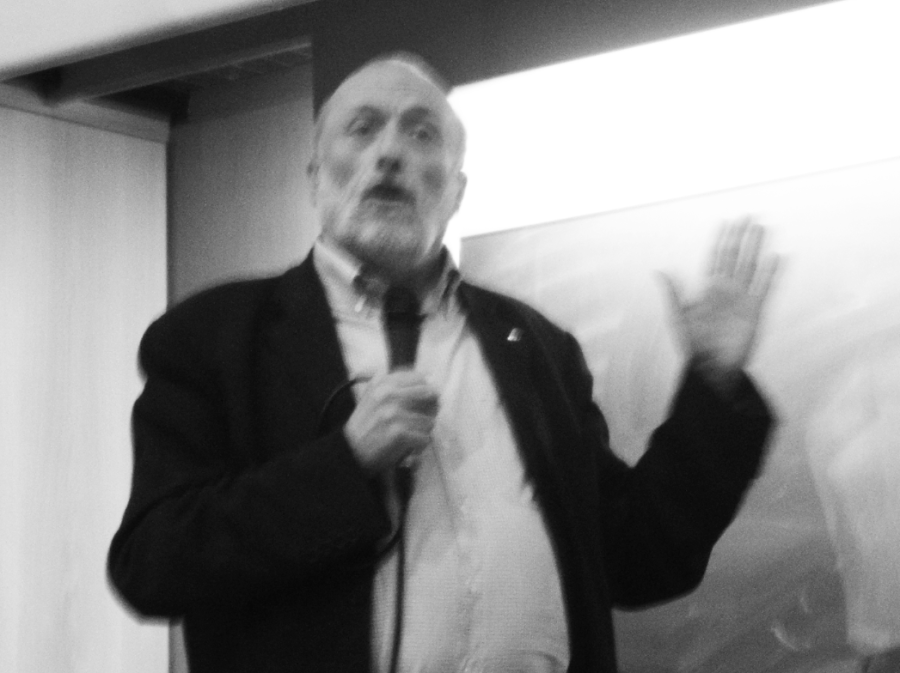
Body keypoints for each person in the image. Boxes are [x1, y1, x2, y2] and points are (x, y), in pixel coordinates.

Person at [108, 53, 778, 673]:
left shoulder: (534, 345)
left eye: (421, 133)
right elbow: (154, 562)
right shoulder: (218, 338)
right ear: (314, 176)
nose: (390, 152)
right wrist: (345, 465)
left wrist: (713, 389)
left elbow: (634, 557)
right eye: (363, 128)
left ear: (456, 190)